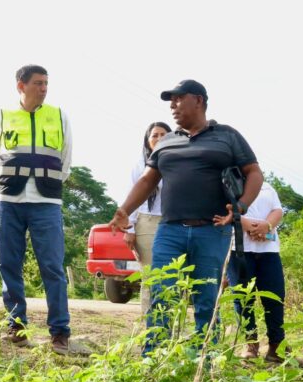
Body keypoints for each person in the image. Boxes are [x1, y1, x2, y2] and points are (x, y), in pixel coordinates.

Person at [108, 79, 263, 351]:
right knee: (162, 293)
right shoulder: (166, 141)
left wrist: (241, 207)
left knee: (206, 297)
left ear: (199, 100)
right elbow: (146, 180)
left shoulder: (227, 136)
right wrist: (125, 210)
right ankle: (153, 357)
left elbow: (254, 173)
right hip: (169, 230)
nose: (172, 105)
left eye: (179, 99)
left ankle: (206, 359)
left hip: (212, 230)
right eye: (171, 100)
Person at [0, 65, 73, 355]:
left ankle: (60, 330)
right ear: (20, 86)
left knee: (52, 266)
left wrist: (46, 185)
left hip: (47, 201)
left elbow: (66, 159)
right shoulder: (3, 115)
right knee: (8, 264)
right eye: (38, 83)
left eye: (46, 83)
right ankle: (17, 325)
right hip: (9, 200)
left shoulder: (59, 115)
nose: (44, 88)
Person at [223, 182, 289, 363]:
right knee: (243, 299)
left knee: (275, 298)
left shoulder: (267, 187)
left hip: (269, 251)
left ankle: (277, 346)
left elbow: (278, 210)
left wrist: (266, 226)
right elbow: (226, 212)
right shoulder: (227, 185)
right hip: (239, 249)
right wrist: (253, 227)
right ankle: (251, 345)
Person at [123, 121, 172, 317]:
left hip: (173, 222)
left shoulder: (178, 163)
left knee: (172, 277)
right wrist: (129, 229)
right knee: (151, 276)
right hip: (147, 223)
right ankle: (150, 327)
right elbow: (131, 197)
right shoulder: (140, 165)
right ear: (147, 140)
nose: (159, 139)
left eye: (164, 135)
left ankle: (169, 326)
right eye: (155, 135)